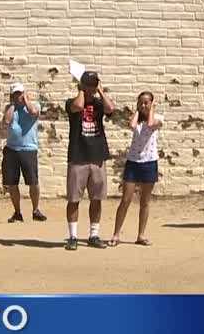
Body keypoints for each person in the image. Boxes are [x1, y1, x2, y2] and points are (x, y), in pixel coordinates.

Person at [65, 71, 115, 250]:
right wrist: (81, 90)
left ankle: (94, 234)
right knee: (73, 198)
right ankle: (73, 236)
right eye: (89, 85)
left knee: (97, 198)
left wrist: (101, 92)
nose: (91, 89)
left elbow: (111, 109)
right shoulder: (71, 102)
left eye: (94, 85)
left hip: (97, 156)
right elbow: (78, 106)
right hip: (78, 156)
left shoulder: (99, 103)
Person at [111, 91, 162, 247]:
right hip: (133, 162)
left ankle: (141, 235)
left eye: (147, 102)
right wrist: (139, 111)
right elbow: (132, 126)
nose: (144, 105)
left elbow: (151, 124)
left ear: (152, 103)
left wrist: (151, 109)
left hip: (149, 163)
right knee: (125, 199)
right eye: (141, 102)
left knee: (144, 202)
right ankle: (116, 234)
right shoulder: (135, 119)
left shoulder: (159, 119)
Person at [2, 83, 47, 223]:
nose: (18, 96)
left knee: (33, 182)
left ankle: (35, 210)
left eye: (20, 93)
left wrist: (26, 100)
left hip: (28, 149)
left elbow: (34, 112)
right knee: (12, 183)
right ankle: (17, 212)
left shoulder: (34, 106)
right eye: (15, 94)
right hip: (12, 149)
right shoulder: (10, 109)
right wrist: (13, 104)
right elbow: (7, 121)